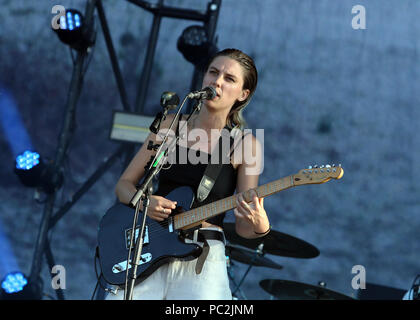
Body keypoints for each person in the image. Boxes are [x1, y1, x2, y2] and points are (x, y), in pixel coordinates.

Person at [106, 48, 270, 300]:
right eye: (213, 73)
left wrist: (260, 226)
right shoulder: (169, 126)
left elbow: (243, 227)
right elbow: (124, 186)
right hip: (148, 248)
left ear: (243, 94)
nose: (217, 81)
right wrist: (145, 203)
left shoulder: (245, 145)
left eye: (229, 79)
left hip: (202, 258)